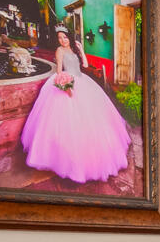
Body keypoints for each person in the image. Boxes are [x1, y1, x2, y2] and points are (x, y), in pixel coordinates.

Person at [20, 26, 132, 184]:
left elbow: (84, 65)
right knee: (69, 124)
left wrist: (81, 50)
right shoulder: (60, 50)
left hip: (82, 82)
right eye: (59, 38)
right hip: (68, 81)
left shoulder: (74, 48)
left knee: (94, 121)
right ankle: (69, 162)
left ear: (69, 37)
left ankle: (93, 156)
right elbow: (59, 70)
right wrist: (64, 84)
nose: (62, 40)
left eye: (64, 37)